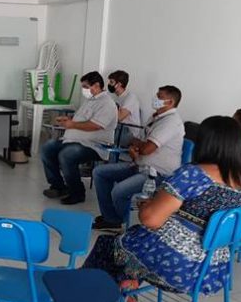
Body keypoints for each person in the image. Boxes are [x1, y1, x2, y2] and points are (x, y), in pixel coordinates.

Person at [83, 116, 241, 302]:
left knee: (111, 245)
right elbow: (204, 216)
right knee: (136, 245)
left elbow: (150, 220)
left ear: (205, 142)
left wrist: (148, 206)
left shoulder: (195, 174)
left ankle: (95, 300)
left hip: (178, 266)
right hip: (213, 269)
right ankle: (127, 290)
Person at [93, 86, 185, 232]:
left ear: (170, 102)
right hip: (139, 164)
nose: (155, 98)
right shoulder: (155, 117)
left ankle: (121, 222)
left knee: (119, 191)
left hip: (157, 174)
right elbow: (141, 144)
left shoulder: (171, 122)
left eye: (160, 97)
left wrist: (135, 143)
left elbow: (147, 148)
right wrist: (135, 148)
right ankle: (111, 218)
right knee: (100, 172)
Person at [41, 71, 117, 205]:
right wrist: (68, 120)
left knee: (67, 154)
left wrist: (72, 124)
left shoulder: (107, 104)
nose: (84, 90)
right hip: (74, 141)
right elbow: (80, 120)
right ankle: (58, 186)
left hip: (94, 145)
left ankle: (77, 193)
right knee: (48, 147)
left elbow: (96, 125)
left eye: (86, 87)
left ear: (96, 85)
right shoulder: (89, 101)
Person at [106, 70, 141, 145]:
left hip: (128, 132)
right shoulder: (116, 98)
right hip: (118, 129)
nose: (108, 84)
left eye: (111, 82)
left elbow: (119, 117)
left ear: (119, 84)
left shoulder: (131, 98)